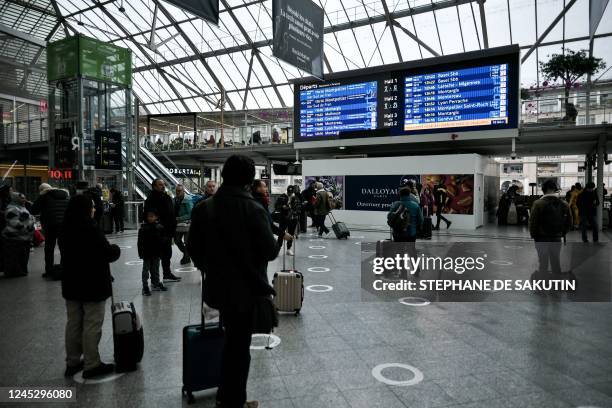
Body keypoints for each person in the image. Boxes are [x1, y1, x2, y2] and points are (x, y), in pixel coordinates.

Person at [188, 155, 278, 408]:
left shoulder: (205, 208)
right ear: (249, 180)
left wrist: (211, 268)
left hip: (218, 289)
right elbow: (270, 251)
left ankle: (226, 397)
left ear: (224, 175)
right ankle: (232, 402)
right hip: (247, 293)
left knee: (231, 344)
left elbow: (192, 247)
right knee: (239, 350)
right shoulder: (254, 209)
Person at [59, 194, 120, 378]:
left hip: (71, 282)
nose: (93, 209)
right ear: (85, 209)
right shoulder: (90, 228)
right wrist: (115, 249)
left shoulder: (65, 227)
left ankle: (72, 362)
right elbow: (107, 253)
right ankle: (92, 364)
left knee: (73, 323)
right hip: (92, 283)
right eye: (91, 206)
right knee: (92, 323)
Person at [528, 179, 572, 275]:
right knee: (555, 262)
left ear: (544, 189)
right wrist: (561, 233)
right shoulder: (564, 204)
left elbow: (533, 222)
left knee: (543, 263)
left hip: (541, 238)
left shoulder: (538, 203)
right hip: (556, 237)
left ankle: (542, 286)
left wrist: (534, 235)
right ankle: (556, 286)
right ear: (555, 189)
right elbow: (569, 222)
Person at [144, 179, 181, 282]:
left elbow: (171, 214)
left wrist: (172, 231)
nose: (163, 186)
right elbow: (148, 215)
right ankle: (155, 279)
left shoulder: (166, 197)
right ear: (154, 186)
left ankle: (167, 274)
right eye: (160, 184)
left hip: (167, 232)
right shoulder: (151, 199)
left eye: (164, 184)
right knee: (155, 256)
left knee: (167, 254)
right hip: (156, 232)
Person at [31, 183, 69, 277]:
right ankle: (64, 269)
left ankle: (49, 270)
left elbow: (33, 210)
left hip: (50, 225)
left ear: (42, 190)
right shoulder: (65, 195)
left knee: (49, 248)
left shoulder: (43, 196)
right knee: (64, 248)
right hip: (64, 225)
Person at [2, 192, 35, 277]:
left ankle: (20, 271)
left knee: (21, 257)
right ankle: (15, 272)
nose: (24, 199)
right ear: (15, 198)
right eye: (22, 198)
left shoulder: (21, 207)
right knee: (15, 257)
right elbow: (14, 223)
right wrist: (28, 228)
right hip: (15, 238)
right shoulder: (12, 209)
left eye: (24, 197)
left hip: (23, 238)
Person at [252, 179, 292, 246]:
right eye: (264, 187)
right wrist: (283, 234)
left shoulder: (254, 199)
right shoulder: (259, 203)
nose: (266, 189)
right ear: (258, 188)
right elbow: (267, 223)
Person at [138, 208, 166, 296]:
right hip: (147, 253)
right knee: (145, 270)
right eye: (148, 216)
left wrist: (161, 252)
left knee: (156, 269)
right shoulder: (143, 228)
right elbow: (140, 243)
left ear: (156, 217)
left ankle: (156, 283)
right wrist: (141, 253)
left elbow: (162, 241)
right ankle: (145, 286)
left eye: (152, 216)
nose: (150, 218)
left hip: (156, 253)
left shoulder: (159, 228)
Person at [275, 185, 299, 256]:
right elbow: (276, 206)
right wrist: (282, 207)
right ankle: (278, 249)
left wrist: (296, 211)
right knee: (281, 233)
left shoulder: (296, 197)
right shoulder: (282, 196)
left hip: (293, 218)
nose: (290, 193)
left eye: (291, 192)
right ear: (287, 190)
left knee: (291, 234)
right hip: (284, 218)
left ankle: (288, 249)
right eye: (289, 192)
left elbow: (299, 207)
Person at [174, 184, 193, 265]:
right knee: (177, 240)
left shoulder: (188, 200)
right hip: (178, 225)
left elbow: (190, 214)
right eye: (177, 191)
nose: (178, 192)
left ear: (183, 191)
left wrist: (178, 218)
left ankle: (186, 257)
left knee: (186, 242)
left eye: (179, 191)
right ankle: (187, 255)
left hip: (187, 224)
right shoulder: (175, 199)